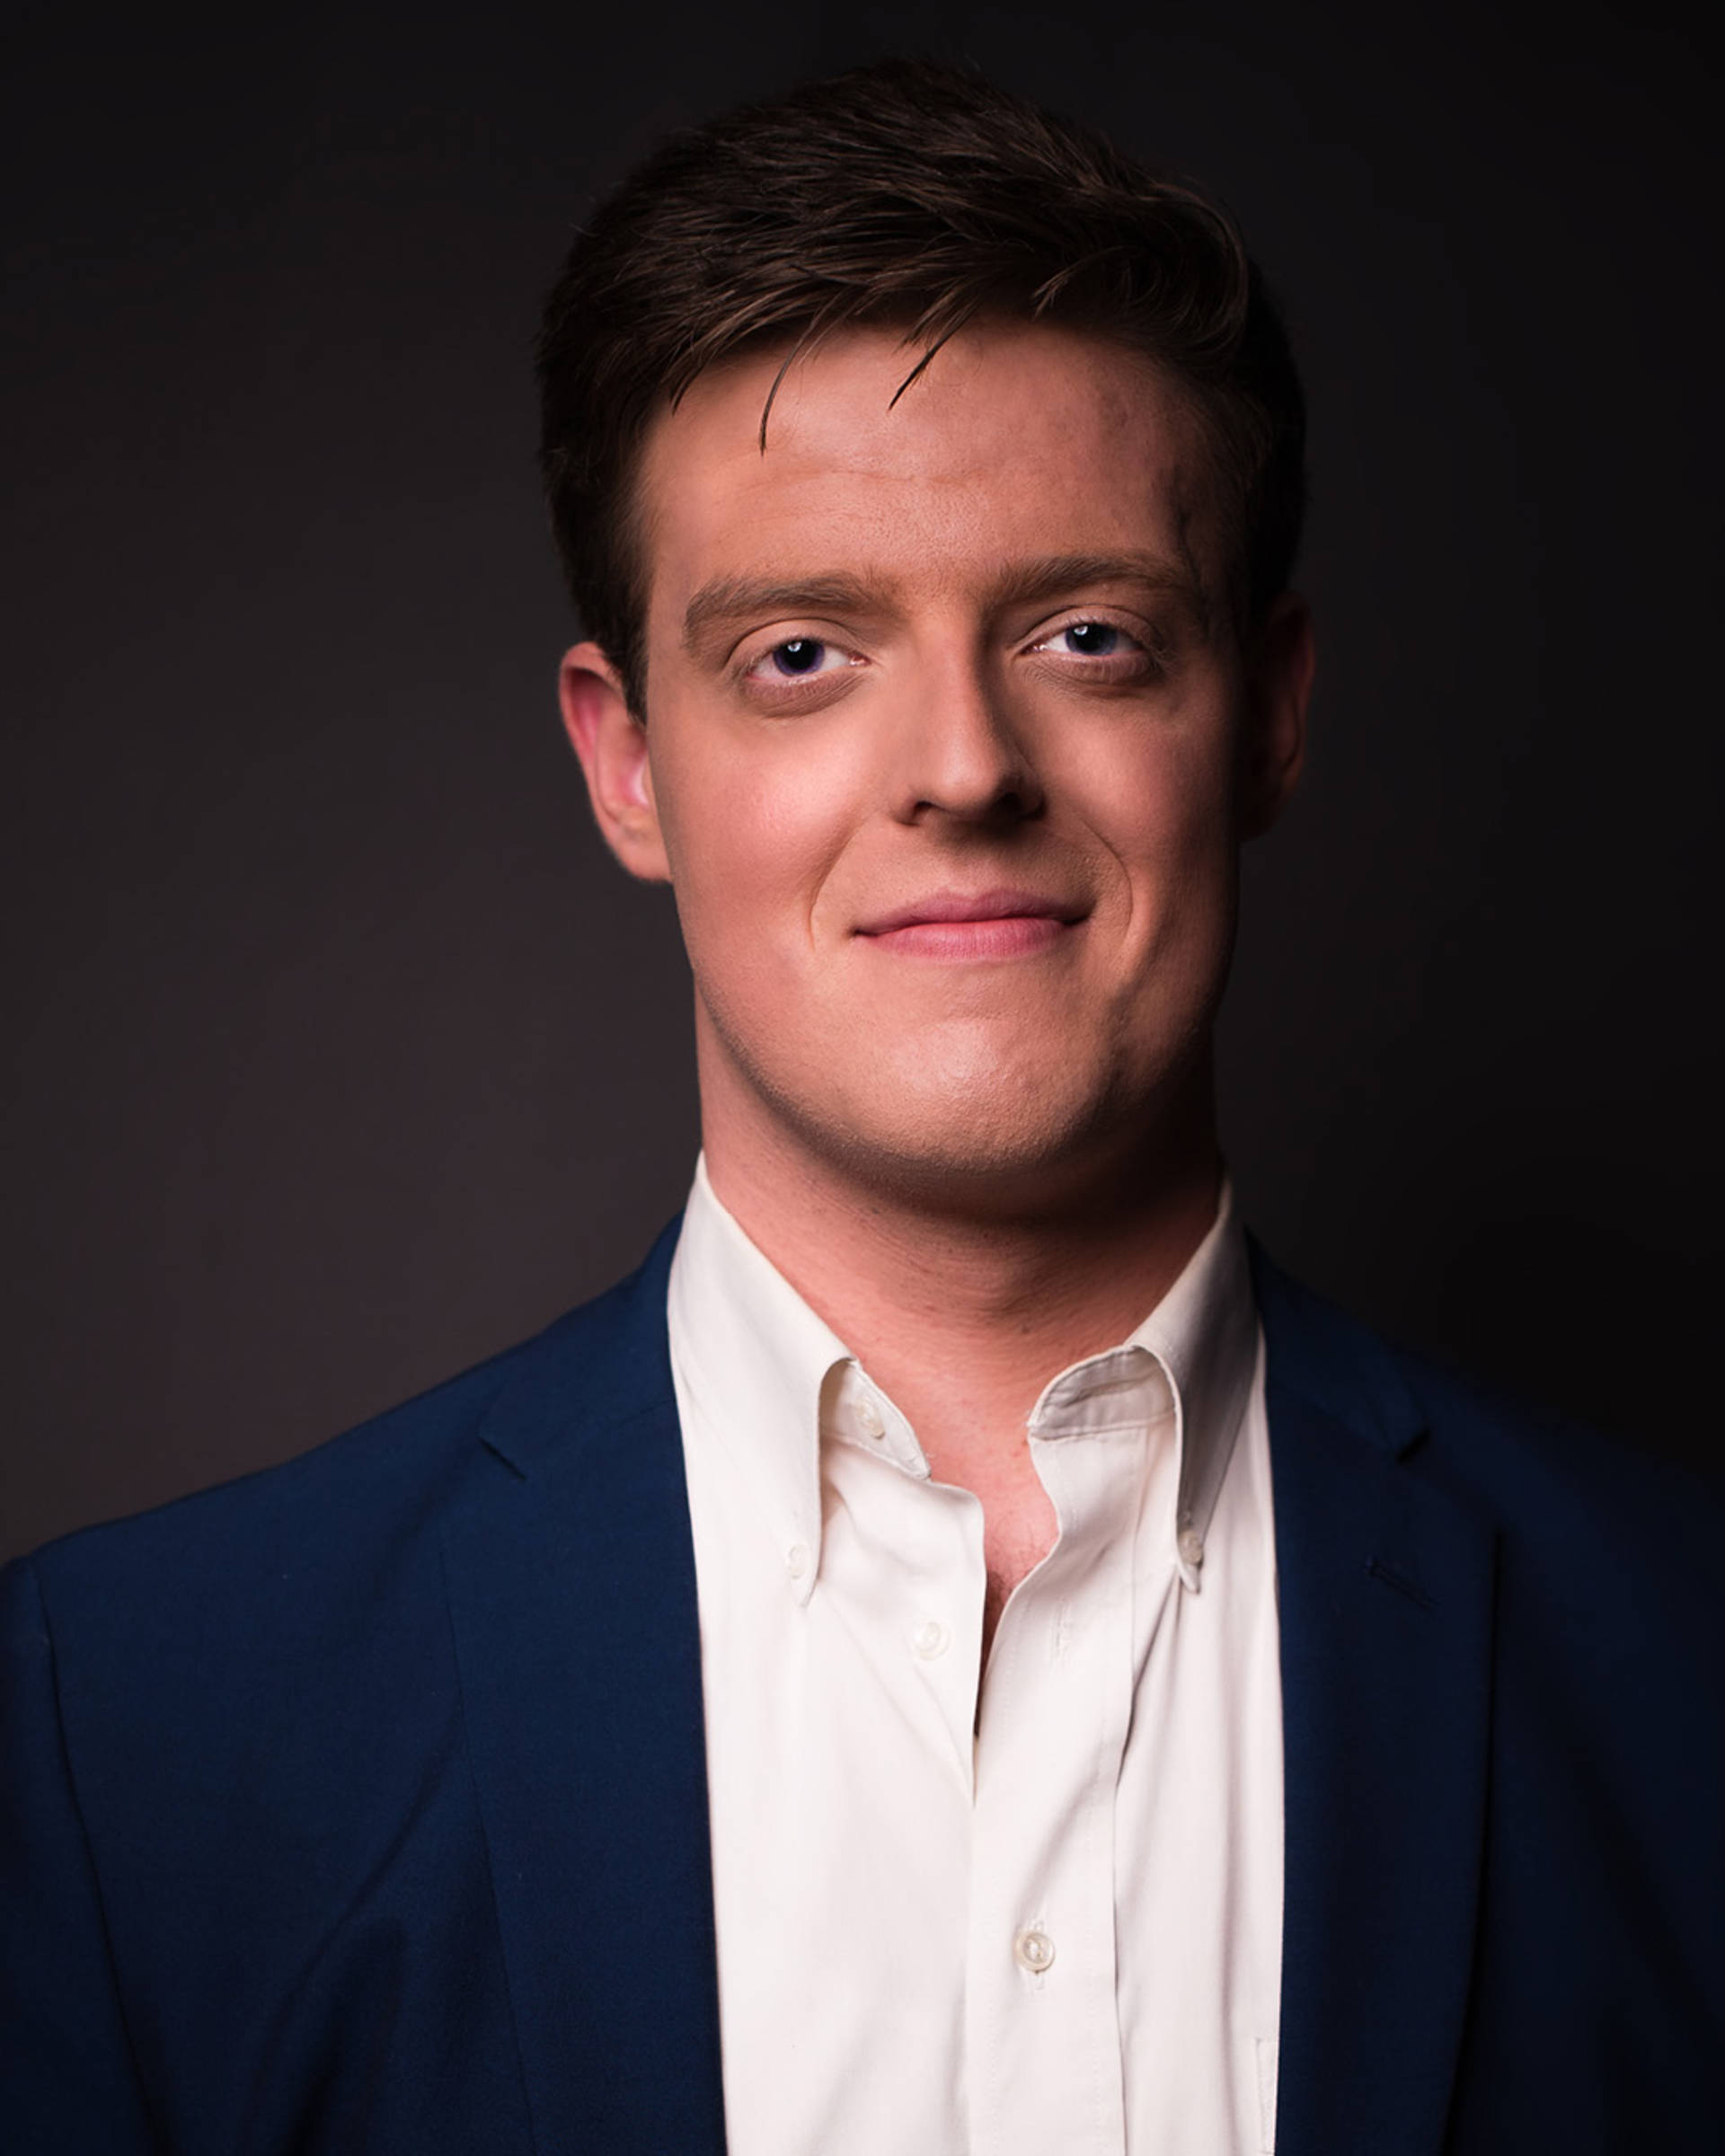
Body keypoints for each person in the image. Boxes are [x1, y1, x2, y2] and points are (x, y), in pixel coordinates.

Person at [3, 57, 1720, 2156]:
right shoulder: (134, 1726)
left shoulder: (1685, 1688)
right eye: (806, 654)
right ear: (625, 761)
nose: (963, 769)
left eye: (1088, 635)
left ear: (1265, 719)